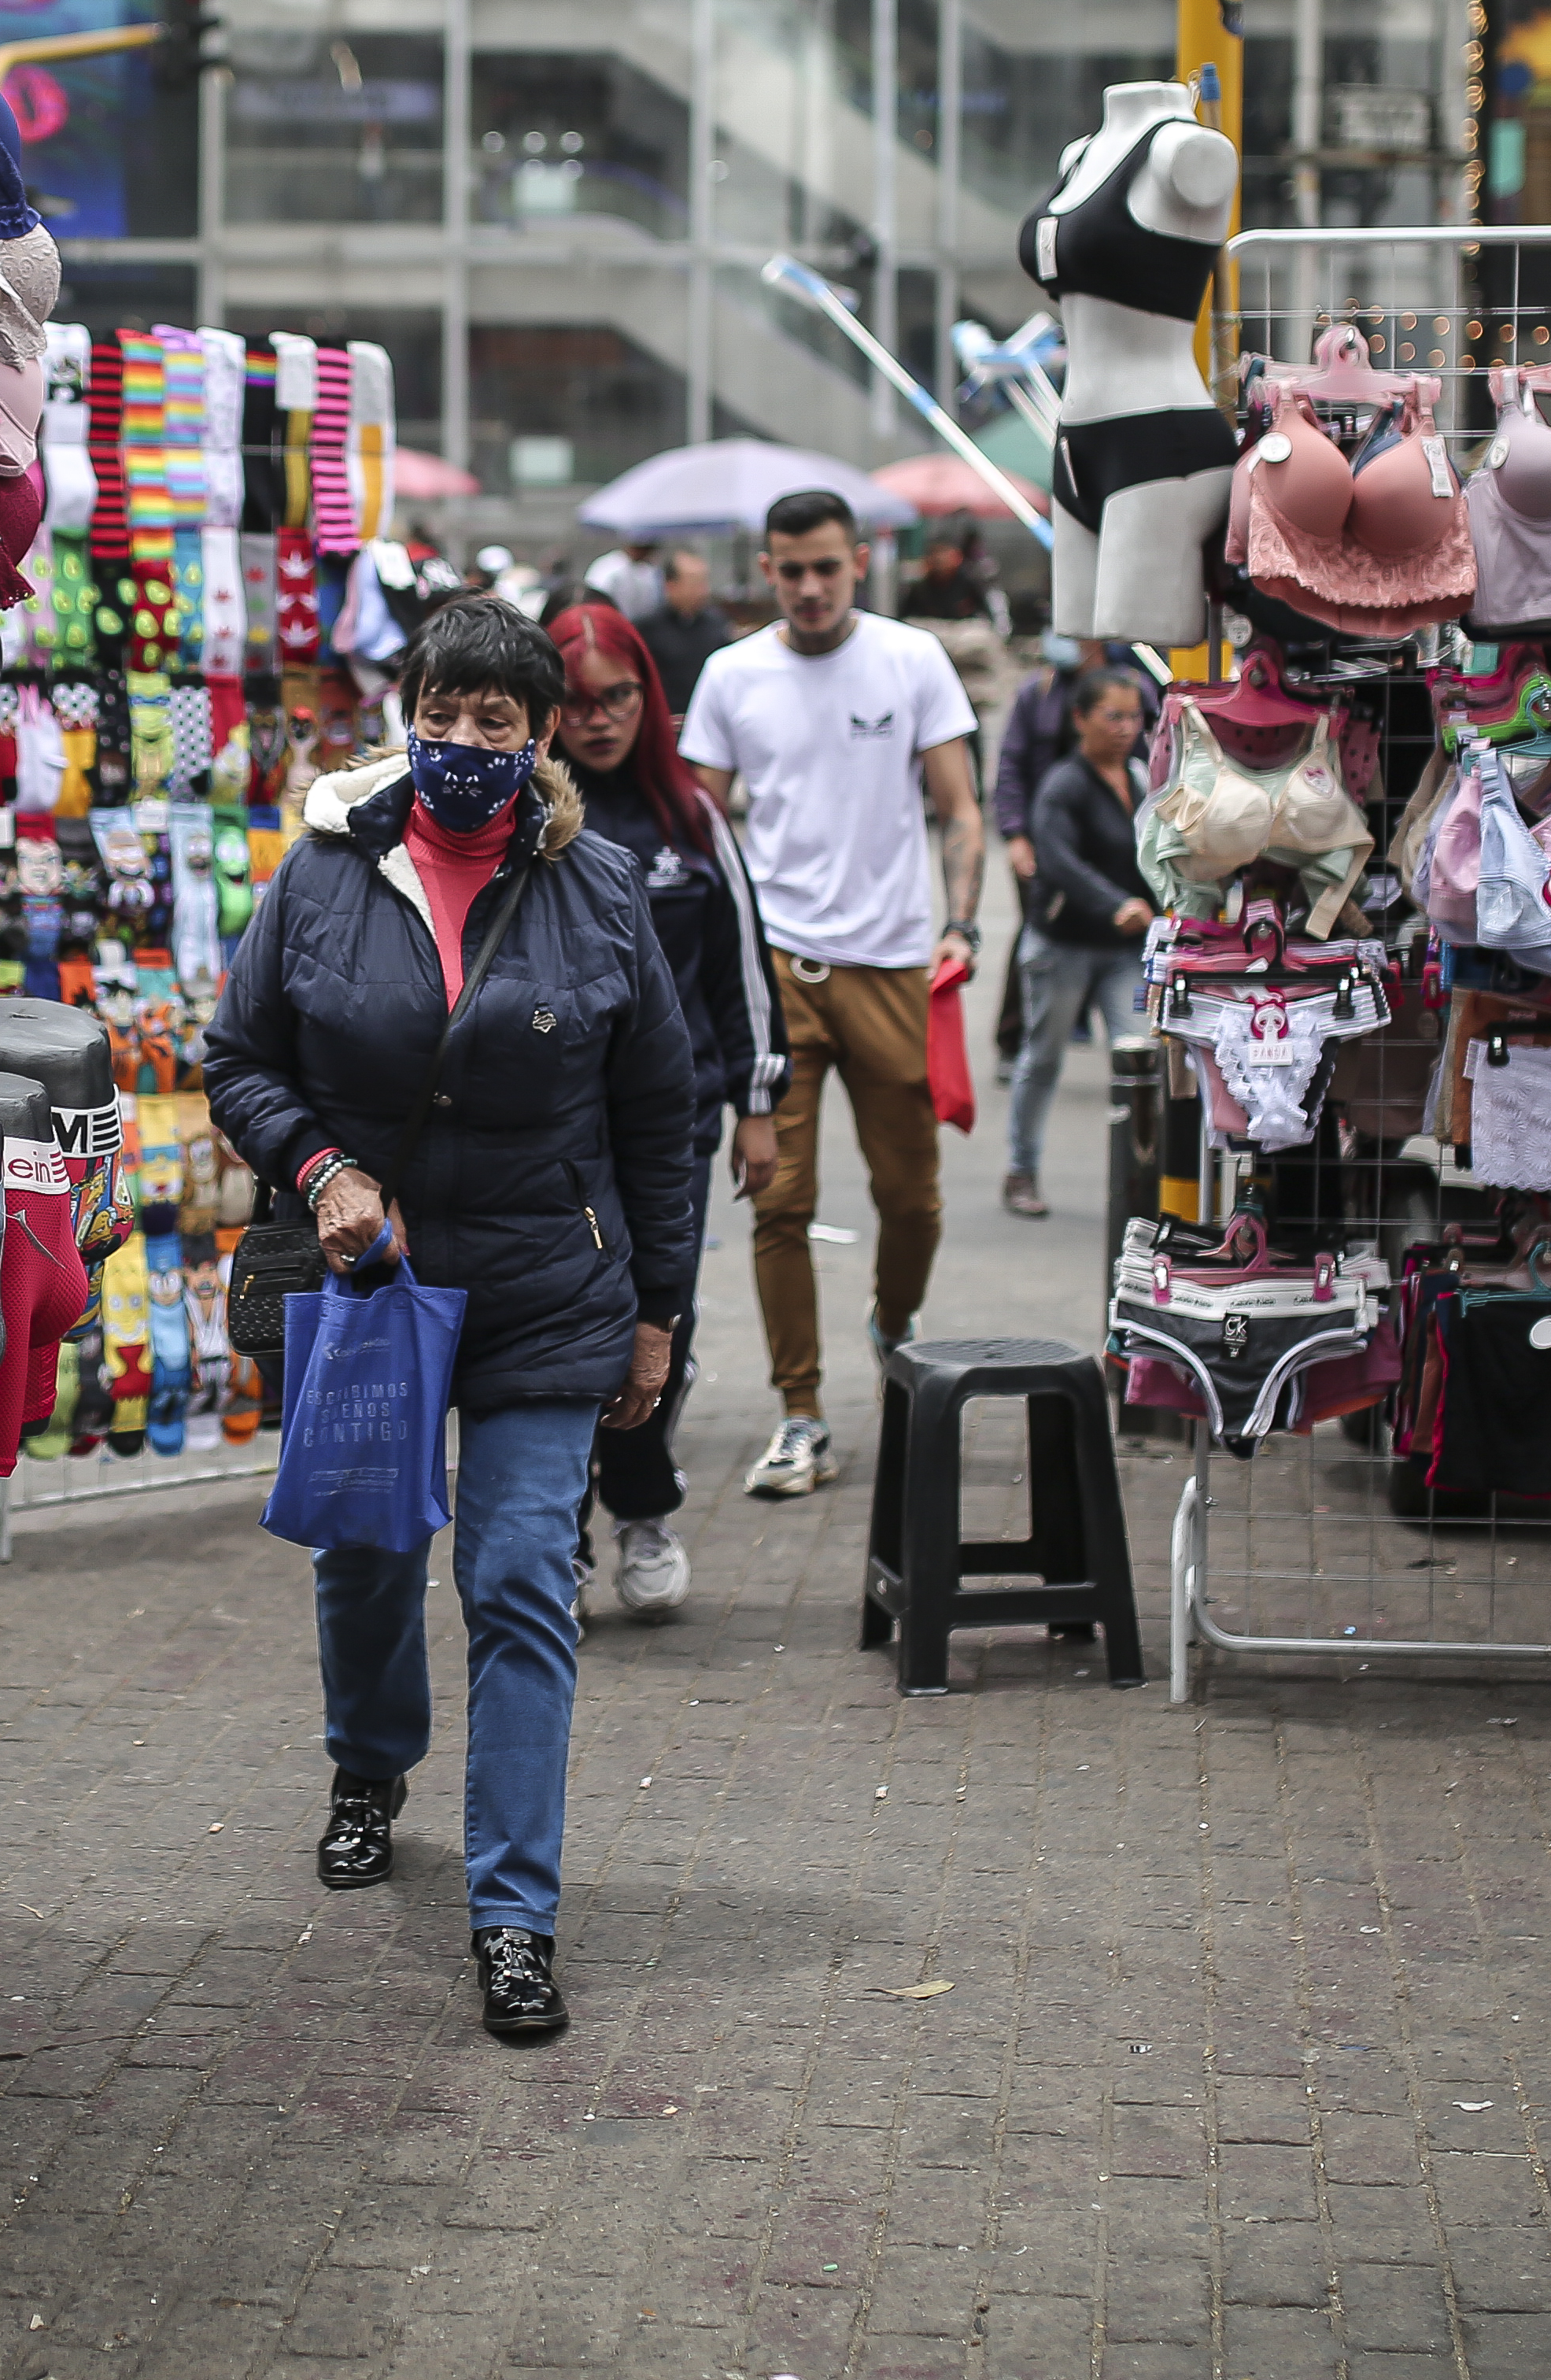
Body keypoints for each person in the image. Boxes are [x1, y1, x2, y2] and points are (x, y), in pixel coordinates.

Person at [203, 593, 701, 2042]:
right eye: (441, 713)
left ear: (541, 735)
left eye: (497, 719)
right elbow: (239, 1058)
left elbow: (658, 1115)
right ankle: (368, 1766)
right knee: (367, 1556)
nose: (464, 741)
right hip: (374, 1280)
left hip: (551, 1283)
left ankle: (515, 1915)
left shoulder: (599, 889)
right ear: (402, 716)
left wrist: (657, 1314)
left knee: (521, 1582)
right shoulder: (321, 874)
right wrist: (322, 1166)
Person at [678, 487, 988, 1498]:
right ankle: (799, 1413)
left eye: (826, 567)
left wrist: (960, 921)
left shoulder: (910, 660)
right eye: (789, 570)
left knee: (912, 1199)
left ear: (858, 561)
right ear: (764, 571)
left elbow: (959, 811)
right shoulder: (730, 674)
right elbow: (699, 833)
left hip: (895, 963)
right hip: (775, 973)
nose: (809, 587)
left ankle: (892, 1328)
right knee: (778, 1199)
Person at [546, 601, 784, 1621]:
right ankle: (556, 1539)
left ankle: (644, 1512)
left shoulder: (692, 817)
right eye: (579, 701)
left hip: (672, 1132)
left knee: (657, 1329)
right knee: (554, 1336)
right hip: (550, 1135)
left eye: (621, 698)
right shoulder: (529, 821)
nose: (600, 719)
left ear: (651, 698)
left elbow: (743, 965)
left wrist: (758, 1100)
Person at [1003, 667, 1151, 1217]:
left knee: (1140, 1057)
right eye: (1113, 715)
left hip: (1123, 954)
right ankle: (1021, 1169)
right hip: (1062, 944)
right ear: (1080, 719)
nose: (1125, 728)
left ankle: (1145, 1177)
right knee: (1041, 1059)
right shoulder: (1064, 783)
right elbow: (1057, 861)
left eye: (1134, 716)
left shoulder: (1140, 777)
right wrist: (1116, 904)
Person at [987, 633, 1153, 1066]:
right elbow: (1011, 764)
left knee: (1113, 922)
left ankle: (1090, 1018)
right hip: (1046, 831)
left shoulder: (1134, 685)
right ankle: (1017, 1038)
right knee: (1042, 929)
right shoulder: (1038, 692)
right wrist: (1015, 835)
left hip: (1110, 832)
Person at [639, 544, 729, 708]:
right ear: (670, 585)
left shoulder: (717, 624)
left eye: (704, 581)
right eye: (694, 583)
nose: (703, 591)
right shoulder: (646, 630)